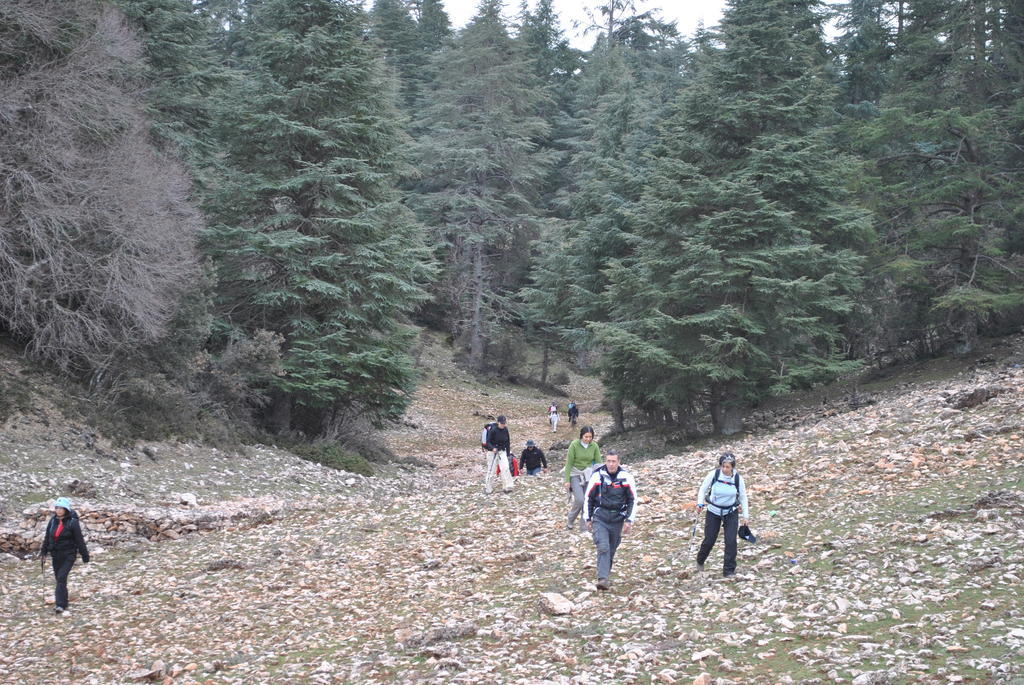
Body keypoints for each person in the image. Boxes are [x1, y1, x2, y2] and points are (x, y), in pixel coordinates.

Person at [583, 450, 636, 591]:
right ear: (605, 461)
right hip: (600, 516)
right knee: (603, 546)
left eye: (614, 461)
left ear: (619, 462)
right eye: (608, 461)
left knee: (611, 549)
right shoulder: (597, 476)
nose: (611, 464)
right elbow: (588, 498)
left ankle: (605, 574)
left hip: (618, 518)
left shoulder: (626, 477)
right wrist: (587, 518)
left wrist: (629, 520)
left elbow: (632, 499)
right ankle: (602, 579)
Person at [695, 452, 749, 578]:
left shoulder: (737, 479)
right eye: (723, 466)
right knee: (710, 540)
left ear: (733, 467)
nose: (725, 469)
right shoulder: (714, 474)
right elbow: (703, 489)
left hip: (731, 512)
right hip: (713, 511)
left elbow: (743, 497)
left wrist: (745, 516)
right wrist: (699, 503)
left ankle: (729, 571)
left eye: (728, 467)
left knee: (731, 541)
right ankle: (700, 560)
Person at [39, 496, 89, 615]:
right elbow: (47, 537)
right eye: (57, 508)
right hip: (55, 554)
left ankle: (60, 605)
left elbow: (79, 540)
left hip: (69, 555)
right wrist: (43, 552)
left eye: (61, 508)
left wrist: (84, 555)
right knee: (59, 579)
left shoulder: (73, 522)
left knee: (61, 577)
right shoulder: (52, 521)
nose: (58, 510)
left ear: (66, 509)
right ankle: (64, 601)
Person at [563, 426, 600, 531]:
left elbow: (598, 463)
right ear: (581, 436)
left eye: (590, 437)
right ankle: (570, 519)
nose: (588, 439)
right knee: (580, 499)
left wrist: (600, 478)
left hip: (588, 475)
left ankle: (584, 527)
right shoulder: (574, 445)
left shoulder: (594, 446)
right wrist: (567, 480)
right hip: (575, 474)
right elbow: (569, 463)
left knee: (587, 501)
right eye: (586, 437)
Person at [484, 415, 514, 494]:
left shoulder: (505, 429)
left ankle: (507, 486)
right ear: (498, 422)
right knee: (491, 470)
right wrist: (492, 448)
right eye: (502, 423)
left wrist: (507, 453)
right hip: (492, 452)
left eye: (504, 423)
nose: (503, 425)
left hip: (502, 452)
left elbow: (508, 442)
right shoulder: (493, 430)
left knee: (505, 468)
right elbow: (488, 442)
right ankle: (488, 488)